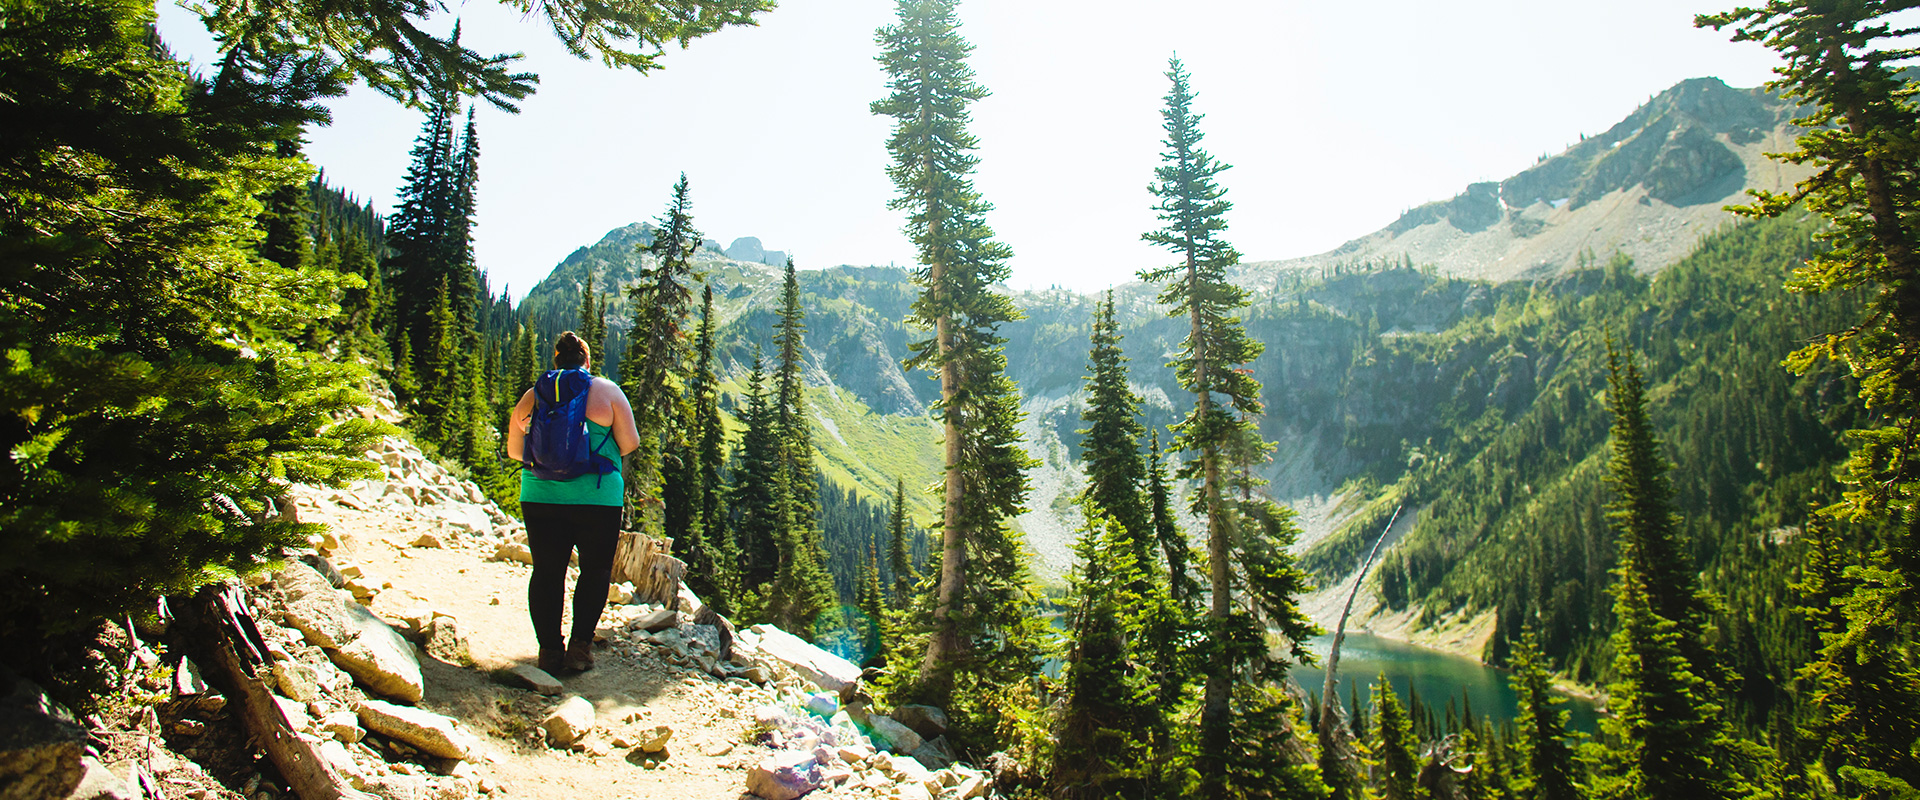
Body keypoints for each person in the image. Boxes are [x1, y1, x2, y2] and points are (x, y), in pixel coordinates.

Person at [505, 332, 640, 674]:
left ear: (557, 362)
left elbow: (514, 451)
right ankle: (580, 649)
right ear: (587, 361)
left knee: (547, 573)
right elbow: (630, 443)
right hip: (597, 498)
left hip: (540, 496)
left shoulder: (533, 396)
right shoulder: (607, 392)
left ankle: (549, 652)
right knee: (594, 571)